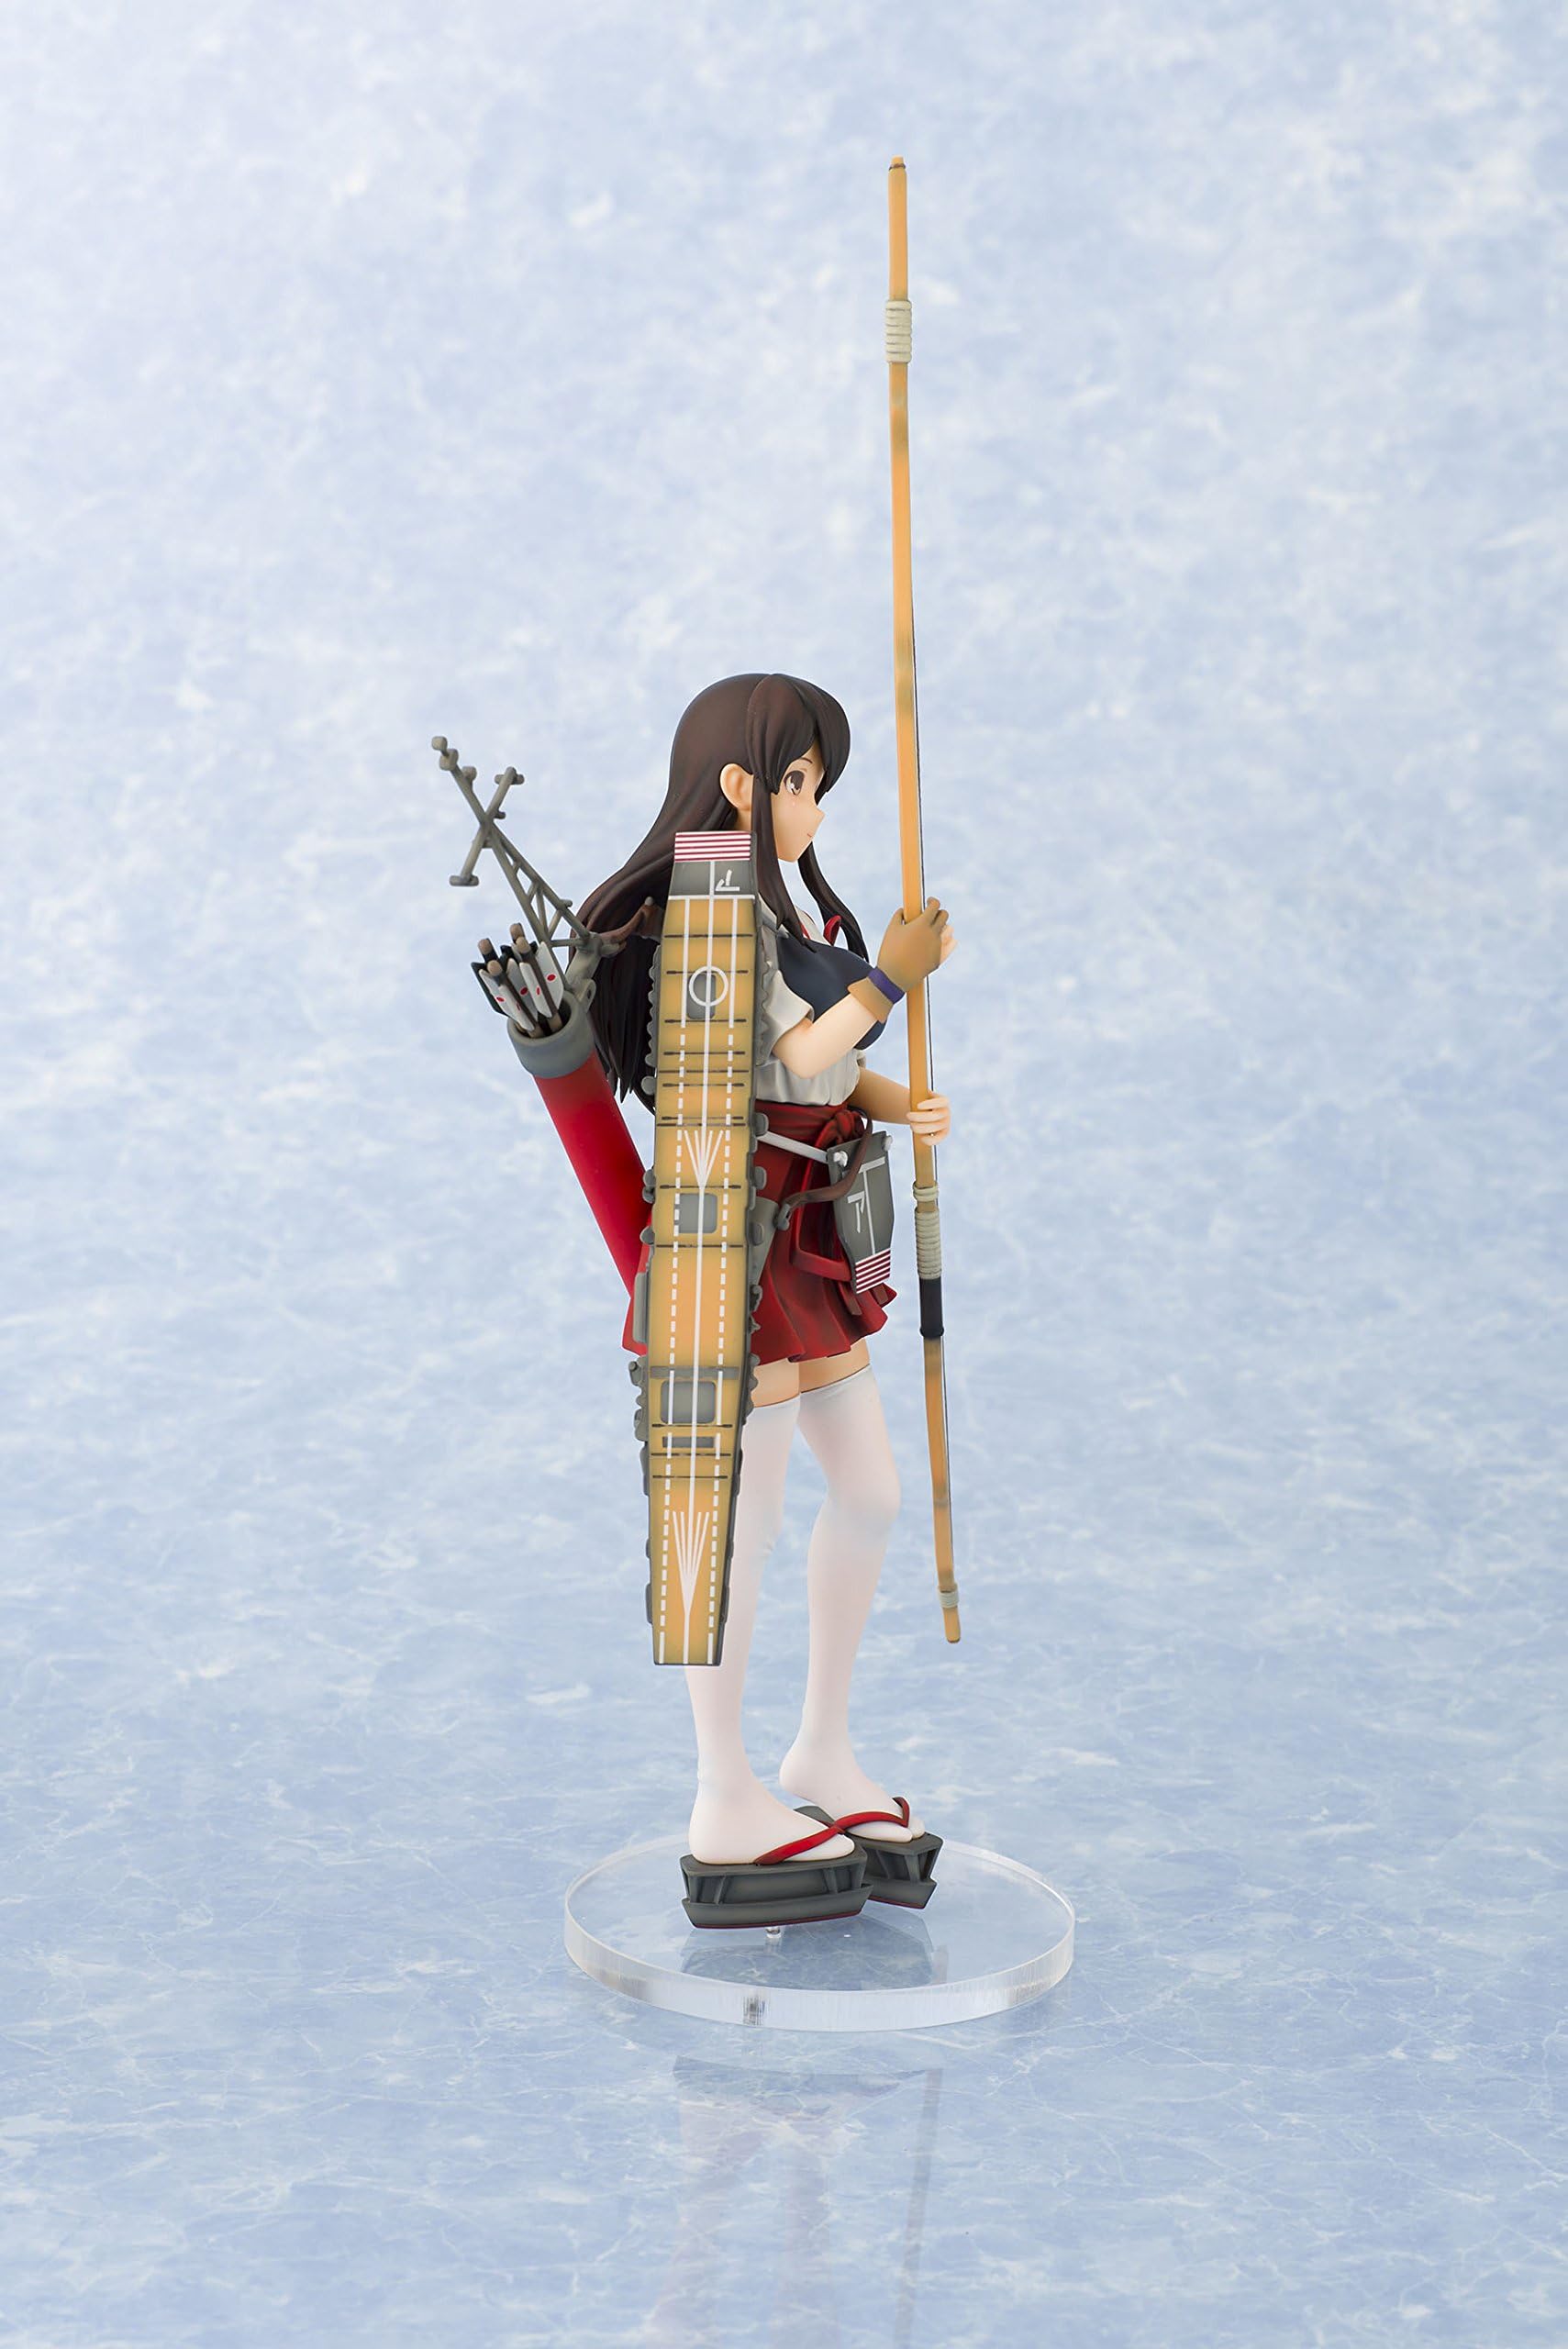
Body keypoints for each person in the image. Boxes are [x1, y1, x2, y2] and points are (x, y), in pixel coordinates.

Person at [581, 674, 954, 1878]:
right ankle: (723, 1792)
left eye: (819, 785)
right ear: (741, 785)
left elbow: (821, 1075)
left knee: (873, 1494)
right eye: (799, 782)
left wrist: (896, 1098)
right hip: (732, 1251)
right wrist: (891, 980)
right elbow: (787, 1056)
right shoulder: (703, 916)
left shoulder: (769, 914)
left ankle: (820, 1751)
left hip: (810, 1241)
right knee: (737, 1528)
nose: (814, 809)